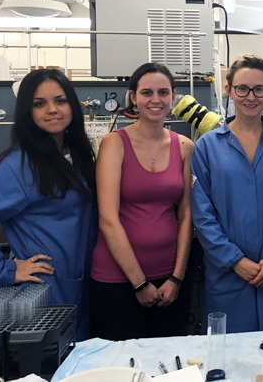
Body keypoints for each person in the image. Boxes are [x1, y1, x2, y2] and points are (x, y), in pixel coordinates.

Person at [191, 54, 263, 333]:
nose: (251, 97)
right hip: (228, 278)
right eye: (242, 88)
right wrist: (235, 261)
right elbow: (203, 216)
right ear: (229, 90)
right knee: (231, 362)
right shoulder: (207, 147)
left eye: (259, 89)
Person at [90, 63, 194, 340]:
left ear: (173, 97)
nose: (155, 100)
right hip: (118, 279)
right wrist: (139, 284)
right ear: (133, 98)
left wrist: (177, 277)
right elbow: (108, 220)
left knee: (169, 364)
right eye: (146, 92)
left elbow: (186, 216)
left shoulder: (184, 146)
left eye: (163, 92)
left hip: (169, 278)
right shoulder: (114, 143)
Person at [0, 69, 96, 340]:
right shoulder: (18, 166)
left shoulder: (76, 154)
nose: (53, 110)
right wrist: (4, 270)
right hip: (46, 290)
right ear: (27, 111)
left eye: (60, 101)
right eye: (39, 104)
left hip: (82, 285)